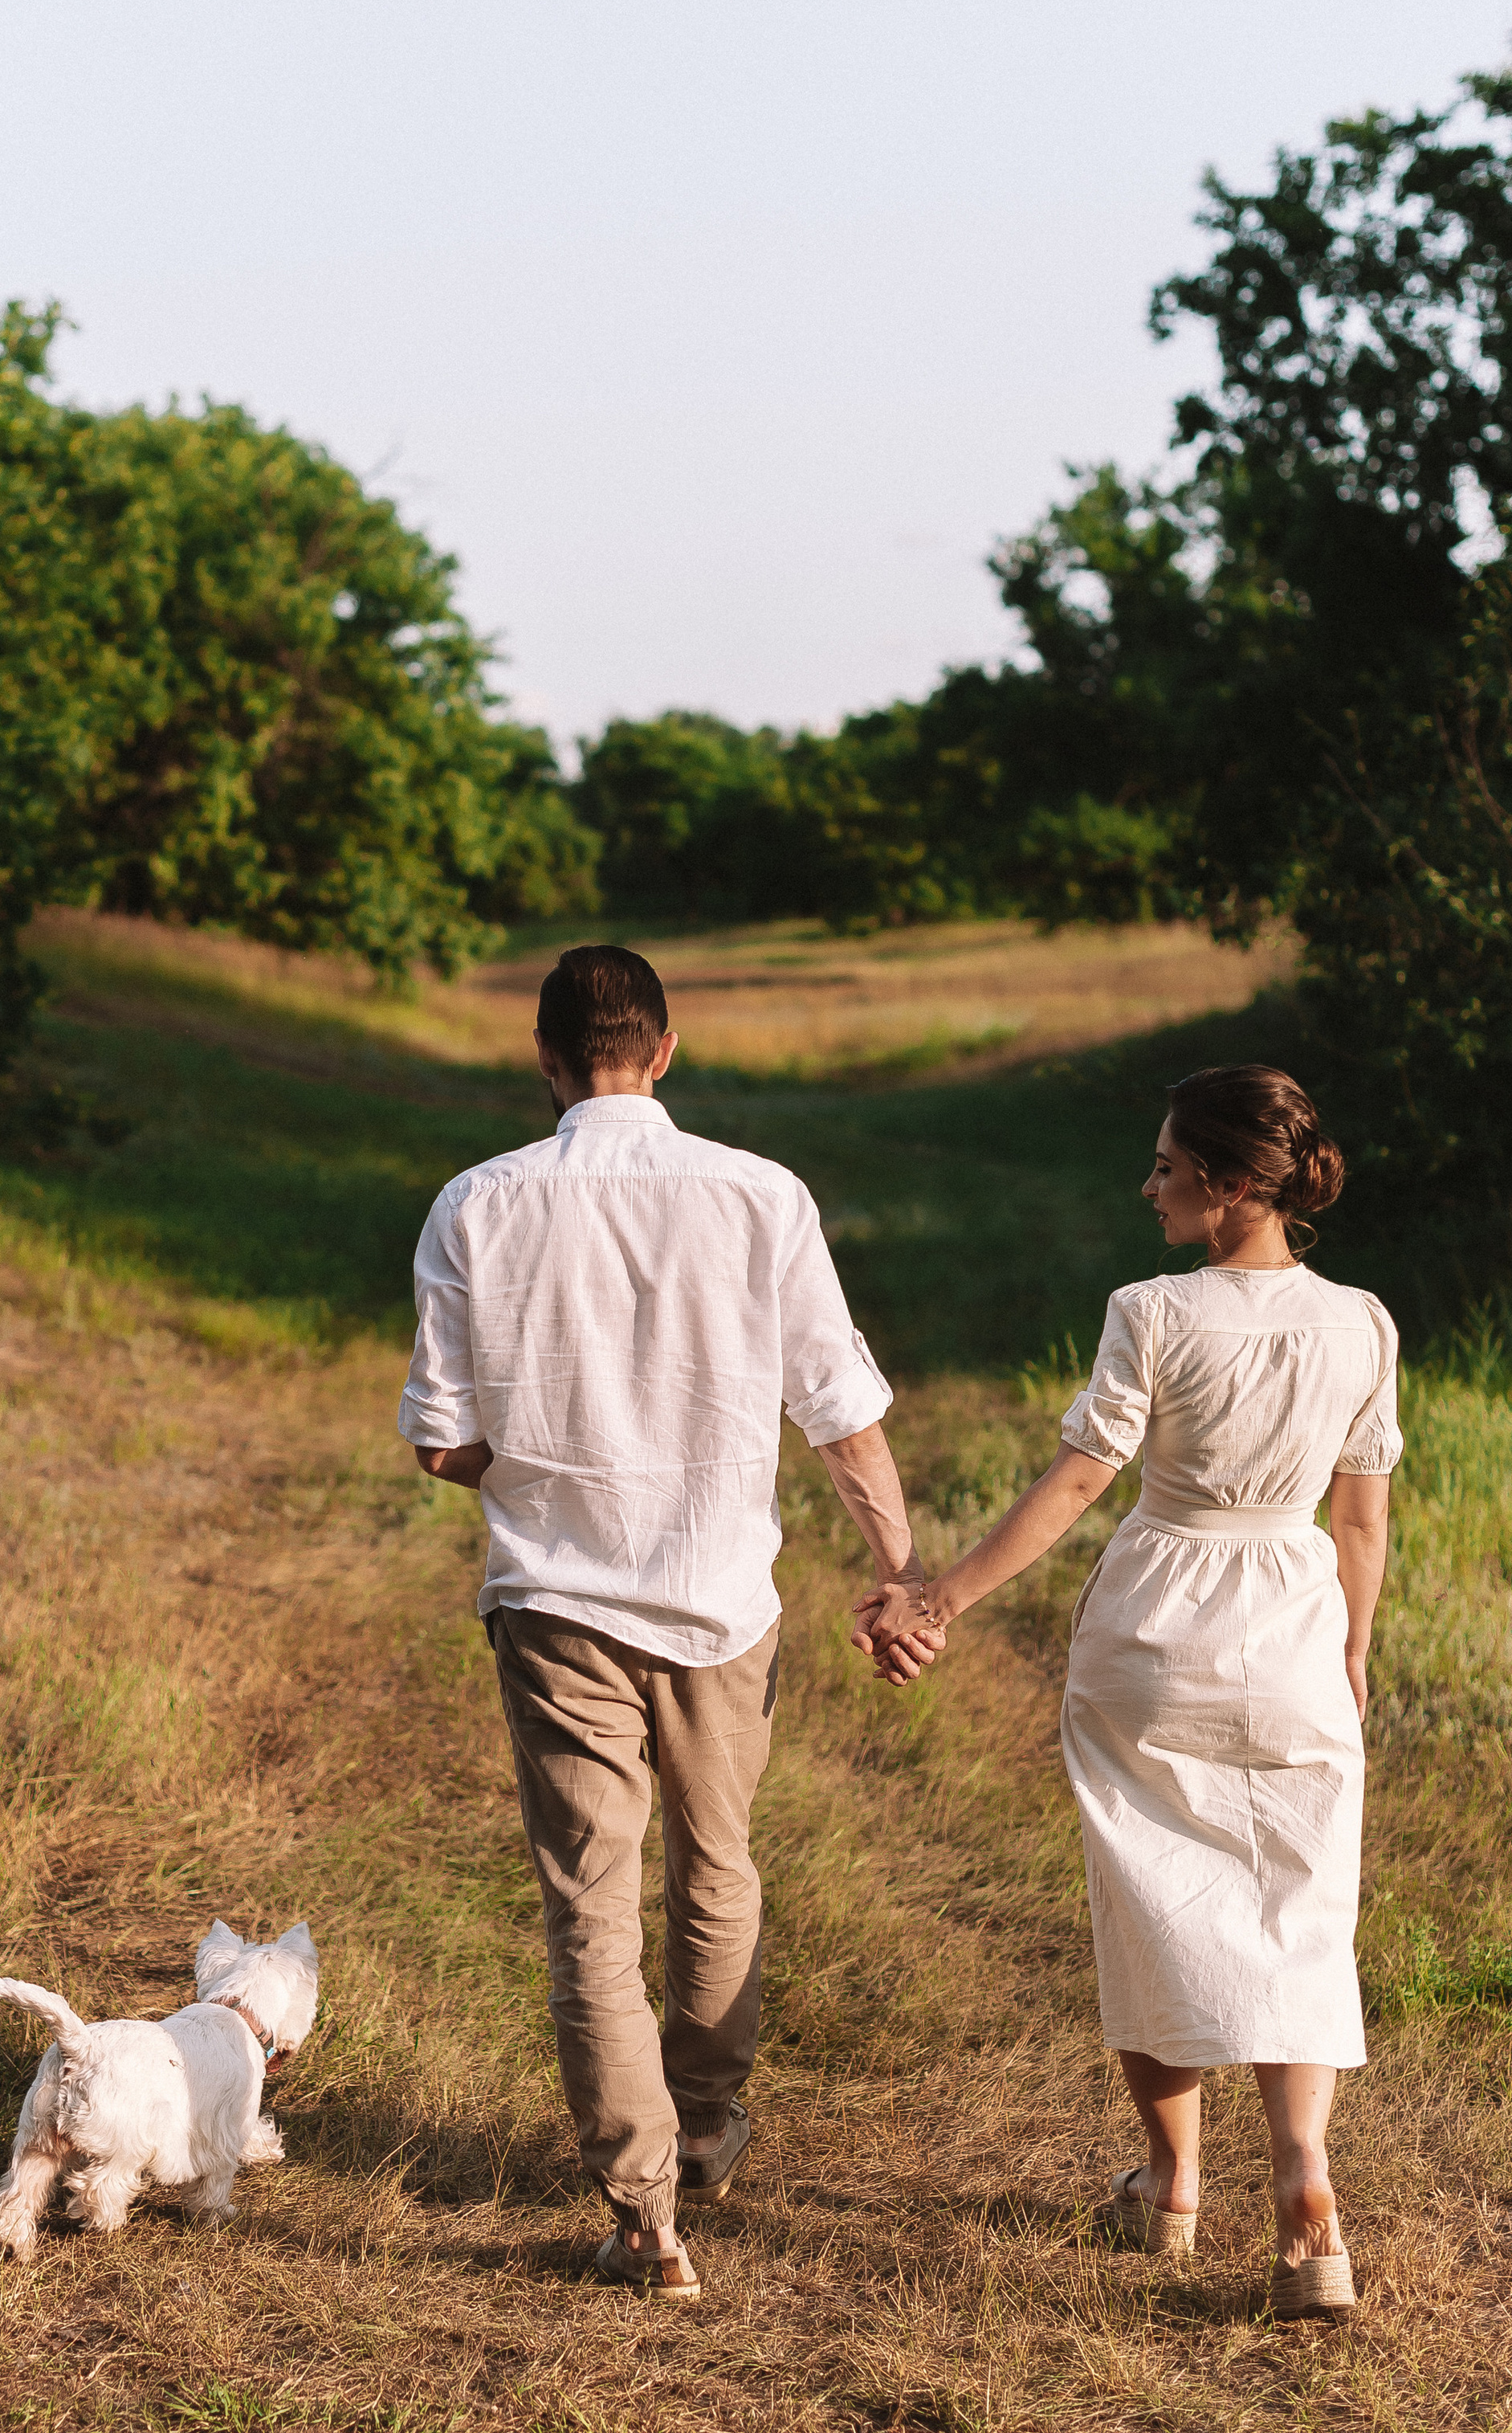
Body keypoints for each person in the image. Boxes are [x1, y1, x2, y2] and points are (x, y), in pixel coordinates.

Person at [400, 942, 926, 2299]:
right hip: (719, 1598)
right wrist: (903, 1573)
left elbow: (445, 1446)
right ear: (668, 1051)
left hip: (558, 1600)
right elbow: (843, 1413)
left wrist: (531, 1448)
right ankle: (703, 2125)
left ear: (545, 1057)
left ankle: (644, 2215)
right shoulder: (763, 1196)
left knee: (590, 1902)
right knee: (719, 1863)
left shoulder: (476, 1204)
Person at [857, 1063, 1398, 2321]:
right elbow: (1361, 1514)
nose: (1146, 1186)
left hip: (1161, 1620)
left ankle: (1169, 2182)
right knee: (1301, 1902)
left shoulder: (1152, 1310)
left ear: (1224, 1186)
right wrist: (1355, 1649)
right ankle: (1305, 2174)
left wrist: (936, 1600)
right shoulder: (1362, 1321)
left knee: (1151, 1891)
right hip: (1295, 1622)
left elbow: (1081, 1481)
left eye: (1164, 1168)